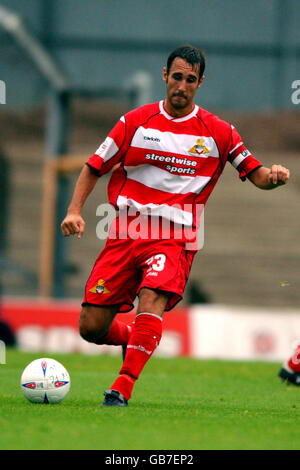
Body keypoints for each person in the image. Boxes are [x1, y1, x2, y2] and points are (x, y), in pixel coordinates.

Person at [61, 44, 290, 407]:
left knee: (151, 299)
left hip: (175, 235)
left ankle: (122, 387)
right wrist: (75, 211)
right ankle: (131, 338)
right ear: (165, 76)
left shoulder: (218, 132)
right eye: (177, 77)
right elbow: (93, 166)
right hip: (125, 231)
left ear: (201, 83)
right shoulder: (134, 122)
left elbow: (255, 173)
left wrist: (273, 177)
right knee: (90, 327)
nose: (182, 86)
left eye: (191, 80)